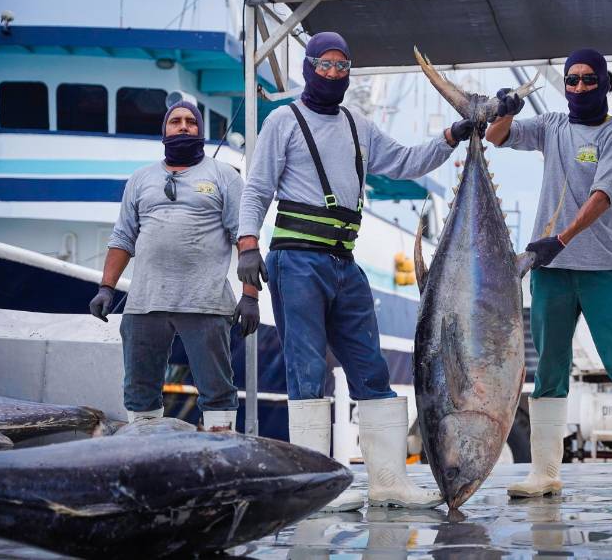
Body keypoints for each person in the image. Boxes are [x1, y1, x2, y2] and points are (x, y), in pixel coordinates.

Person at [237, 32, 475, 511]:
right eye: (324, 65)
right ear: (307, 67)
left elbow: (406, 161)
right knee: (307, 374)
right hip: (296, 261)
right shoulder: (283, 121)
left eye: (341, 66)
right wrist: (247, 250)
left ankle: (389, 483)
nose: (332, 73)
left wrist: (452, 136)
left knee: (371, 370)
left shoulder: (357, 124)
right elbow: (257, 189)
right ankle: (312, 486)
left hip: (345, 264)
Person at [485, 48, 612, 503]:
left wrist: (561, 239)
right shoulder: (551, 126)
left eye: (589, 79)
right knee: (549, 368)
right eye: (572, 80)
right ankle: (545, 473)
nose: (580, 87)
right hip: (551, 271)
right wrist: (506, 110)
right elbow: (495, 137)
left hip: (602, 269)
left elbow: (602, 196)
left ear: (604, 83)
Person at [88, 101, 259, 431]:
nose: (183, 126)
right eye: (175, 121)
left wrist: (250, 296)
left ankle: (220, 449)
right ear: (164, 130)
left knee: (217, 392)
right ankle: (144, 450)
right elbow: (123, 237)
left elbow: (245, 237)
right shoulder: (140, 179)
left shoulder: (224, 176)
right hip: (145, 303)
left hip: (206, 303)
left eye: (191, 122)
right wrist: (106, 287)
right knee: (139, 391)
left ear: (200, 131)